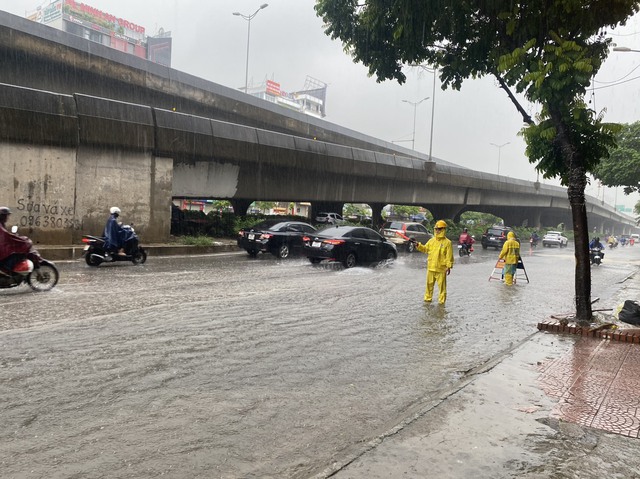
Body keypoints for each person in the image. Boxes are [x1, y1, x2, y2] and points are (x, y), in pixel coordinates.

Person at [414, 219, 454, 304]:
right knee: (429, 286)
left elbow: (449, 256)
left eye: (439, 229)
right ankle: (427, 300)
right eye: (436, 229)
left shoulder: (448, 243)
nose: (437, 231)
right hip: (431, 268)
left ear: (443, 229)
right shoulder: (431, 241)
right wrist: (419, 245)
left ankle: (441, 303)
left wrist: (448, 266)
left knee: (442, 288)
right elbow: (425, 249)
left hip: (441, 269)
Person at [0, 207, 32, 271]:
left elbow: (7, 235)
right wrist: (21, 240)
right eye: (7, 215)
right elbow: (7, 236)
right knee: (16, 254)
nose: (7, 218)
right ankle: (7, 269)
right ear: (3, 216)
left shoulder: (2, 224)